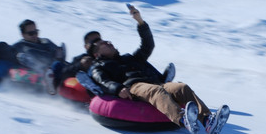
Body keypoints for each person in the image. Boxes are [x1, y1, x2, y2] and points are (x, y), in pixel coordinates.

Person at [87, 5, 229, 134]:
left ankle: (207, 121)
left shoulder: (129, 58)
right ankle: (182, 119)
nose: (108, 43)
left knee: (181, 87)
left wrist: (140, 21)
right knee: (157, 91)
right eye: (103, 44)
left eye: (108, 41)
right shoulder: (98, 66)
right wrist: (118, 89)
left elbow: (148, 45)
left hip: (156, 83)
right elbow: (103, 81)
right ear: (96, 53)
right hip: (134, 87)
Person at [44, 30, 175, 96]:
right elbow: (68, 71)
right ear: (86, 46)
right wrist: (81, 65)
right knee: (60, 65)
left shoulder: (109, 55)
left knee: (136, 61)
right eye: (93, 41)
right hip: (93, 77)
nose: (97, 42)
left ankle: (161, 79)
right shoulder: (83, 57)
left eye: (99, 39)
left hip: (111, 74)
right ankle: (53, 81)